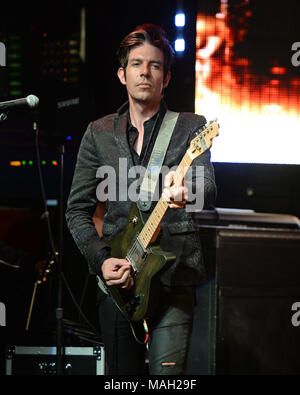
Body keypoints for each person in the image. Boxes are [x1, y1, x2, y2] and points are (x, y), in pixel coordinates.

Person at [65, 23, 217, 375]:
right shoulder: (99, 132)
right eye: (136, 64)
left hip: (174, 276)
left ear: (166, 78)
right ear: (122, 74)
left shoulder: (191, 126)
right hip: (119, 281)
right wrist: (101, 260)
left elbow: (206, 186)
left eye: (155, 65)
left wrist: (185, 193)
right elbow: (77, 211)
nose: (145, 72)